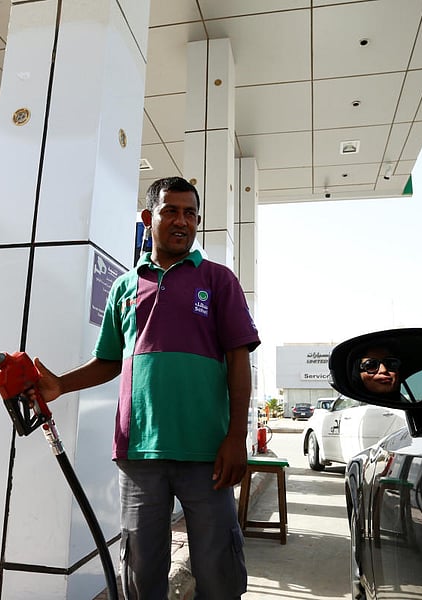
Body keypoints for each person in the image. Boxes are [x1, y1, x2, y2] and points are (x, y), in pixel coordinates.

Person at [30, 176, 260, 599]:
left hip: (207, 453)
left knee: (219, 572)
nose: (182, 221)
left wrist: (236, 437)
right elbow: (108, 361)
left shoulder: (219, 280)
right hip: (138, 454)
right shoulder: (124, 286)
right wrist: (60, 385)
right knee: (141, 572)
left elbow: (238, 359)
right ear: (147, 217)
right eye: (171, 211)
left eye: (190, 214)